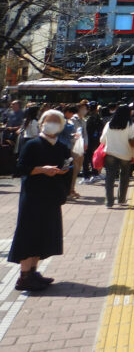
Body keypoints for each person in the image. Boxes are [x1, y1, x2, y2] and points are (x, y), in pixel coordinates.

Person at [7, 109, 70, 292]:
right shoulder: (32, 144)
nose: (51, 124)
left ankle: (33, 272)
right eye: (48, 121)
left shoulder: (61, 146)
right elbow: (19, 170)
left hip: (51, 197)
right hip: (32, 197)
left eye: (56, 121)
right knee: (28, 234)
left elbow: (67, 165)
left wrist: (64, 171)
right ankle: (24, 275)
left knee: (43, 234)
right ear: (41, 123)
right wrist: (42, 169)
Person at [100, 105, 134, 208]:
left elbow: (102, 140)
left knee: (110, 177)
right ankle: (121, 200)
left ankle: (109, 202)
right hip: (125, 155)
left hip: (110, 154)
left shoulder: (109, 124)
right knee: (124, 177)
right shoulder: (131, 126)